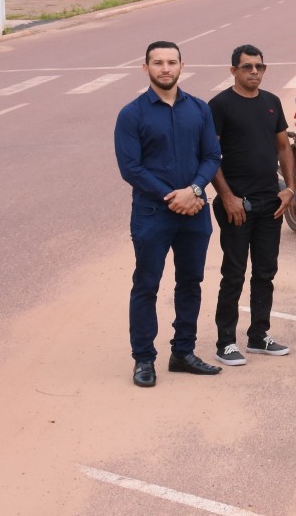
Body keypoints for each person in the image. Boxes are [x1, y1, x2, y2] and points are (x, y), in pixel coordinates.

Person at [115, 40, 223, 387]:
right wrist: (170, 196)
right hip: (152, 214)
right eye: (158, 63)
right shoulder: (132, 114)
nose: (165, 68)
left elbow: (211, 156)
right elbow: (130, 167)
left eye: (171, 62)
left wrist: (193, 191)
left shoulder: (199, 109)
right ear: (145, 68)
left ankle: (183, 352)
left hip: (195, 211)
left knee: (190, 283)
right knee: (146, 284)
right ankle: (144, 359)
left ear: (181, 66)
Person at [207, 44, 296, 366]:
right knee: (233, 273)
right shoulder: (219, 106)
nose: (254, 72)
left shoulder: (271, 103)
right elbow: (209, 155)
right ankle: (225, 342)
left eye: (259, 66)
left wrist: (290, 188)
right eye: (247, 67)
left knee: (265, 272)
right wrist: (228, 197)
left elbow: (284, 146)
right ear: (233, 71)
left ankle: (259, 336)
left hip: (269, 202)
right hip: (237, 205)